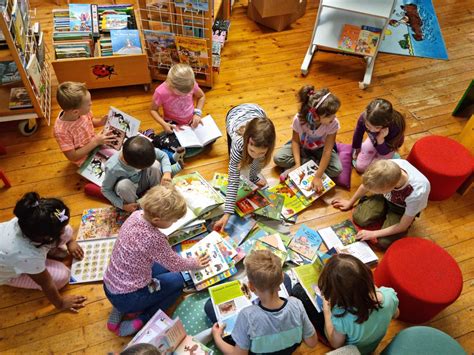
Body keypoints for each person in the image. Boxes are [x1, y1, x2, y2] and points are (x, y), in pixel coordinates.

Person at [103, 185, 210, 336]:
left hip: (110, 285)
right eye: (173, 221)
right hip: (129, 296)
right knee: (178, 282)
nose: (173, 223)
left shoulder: (136, 215)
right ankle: (142, 318)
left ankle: (120, 308)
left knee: (162, 267)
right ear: (156, 219)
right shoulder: (154, 239)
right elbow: (175, 264)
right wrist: (195, 263)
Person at [210, 250, 318, 354]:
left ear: (251, 287)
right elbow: (312, 342)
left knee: (209, 306)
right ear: (281, 278)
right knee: (289, 280)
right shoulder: (296, 304)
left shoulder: (246, 315)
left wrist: (217, 338)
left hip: (258, 352)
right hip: (288, 349)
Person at [295, 254, 399, 355]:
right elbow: (396, 314)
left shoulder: (341, 315)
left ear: (338, 295)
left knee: (298, 291)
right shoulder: (389, 295)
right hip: (370, 347)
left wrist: (327, 312)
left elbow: (336, 344)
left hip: (352, 351)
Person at [0, 192, 87, 312]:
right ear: (45, 237)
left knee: (66, 232)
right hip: (10, 271)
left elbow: (63, 229)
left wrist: (70, 241)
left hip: (27, 253)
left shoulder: (31, 218)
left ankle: (47, 254)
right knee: (63, 276)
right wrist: (60, 304)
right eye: (60, 229)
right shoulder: (26, 255)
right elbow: (46, 283)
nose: (64, 230)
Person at [332, 159, 430, 249]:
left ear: (391, 187)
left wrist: (373, 234)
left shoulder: (417, 193)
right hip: (385, 198)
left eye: (375, 191)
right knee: (359, 218)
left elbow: (402, 226)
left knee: (384, 242)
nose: (370, 191)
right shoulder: (387, 167)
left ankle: (386, 216)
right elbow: (366, 185)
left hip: (402, 209)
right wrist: (350, 202)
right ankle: (383, 211)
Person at [213, 103, 276, 232]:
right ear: (247, 141)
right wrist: (227, 213)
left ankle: (251, 170)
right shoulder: (238, 142)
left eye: (262, 152)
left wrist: (253, 176)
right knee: (235, 161)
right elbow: (233, 179)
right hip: (234, 114)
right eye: (252, 151)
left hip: (257, 110)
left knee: (256, 161)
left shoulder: (265, 143)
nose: (256, 155)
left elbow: (258, 160)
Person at [274, 86, 342, 193]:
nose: (334, 118)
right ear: (315, 116)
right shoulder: (299, 119)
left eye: (334, 114)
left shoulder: (333, 123)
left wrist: (318, 176)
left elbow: (327, 151)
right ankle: (310, 163)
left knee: (337, 169)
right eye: (329, 116)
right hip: (302, 146)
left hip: (321, 149)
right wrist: (297, 164)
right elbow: (295, 141)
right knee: (278, 158)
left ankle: (309, 163)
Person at [101, 136, 182, 212]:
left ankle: (158, 193)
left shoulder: (143, 149)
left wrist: (167, 173)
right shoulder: (112, 168)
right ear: (130, 164)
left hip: (142, 180)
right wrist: (123, 206)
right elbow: (106, 190)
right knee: (123, 185)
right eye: (142, 168)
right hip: (129, 189)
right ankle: (138, 207)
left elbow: (163, 155)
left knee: (155, 164)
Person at [150, 64, 206, 163]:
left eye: (188, 93)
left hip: (191, 120)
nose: (186, 95)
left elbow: (201, 96)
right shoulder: (160, 92)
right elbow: (153, 110)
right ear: (171, 85)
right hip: (173, 124)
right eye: (181, 93)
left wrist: (197, 114)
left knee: (208, 138)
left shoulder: (191, 83)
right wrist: (164, 124)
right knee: (165, 143)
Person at [54, 81, 115, 166]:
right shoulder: (61, 131)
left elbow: (90, 122)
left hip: (95, 143)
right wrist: (95, 142)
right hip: (84, 159)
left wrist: (100, 122)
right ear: (76, 112)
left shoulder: (83, 112)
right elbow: (73, 157)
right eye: (88, 104)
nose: (91, 104)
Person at [352, 98, 406, 173]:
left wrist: (380, 139)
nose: (371, 130)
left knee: (373, 170)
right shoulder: (363, 117)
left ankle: (393, 155)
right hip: (374, 139)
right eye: (368, 125)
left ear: (386, 123)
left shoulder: (396, 127)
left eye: (377, 127)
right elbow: (358, 133)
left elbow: (384, 152)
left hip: (387, 145)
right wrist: (357, 147)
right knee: (360, 167)